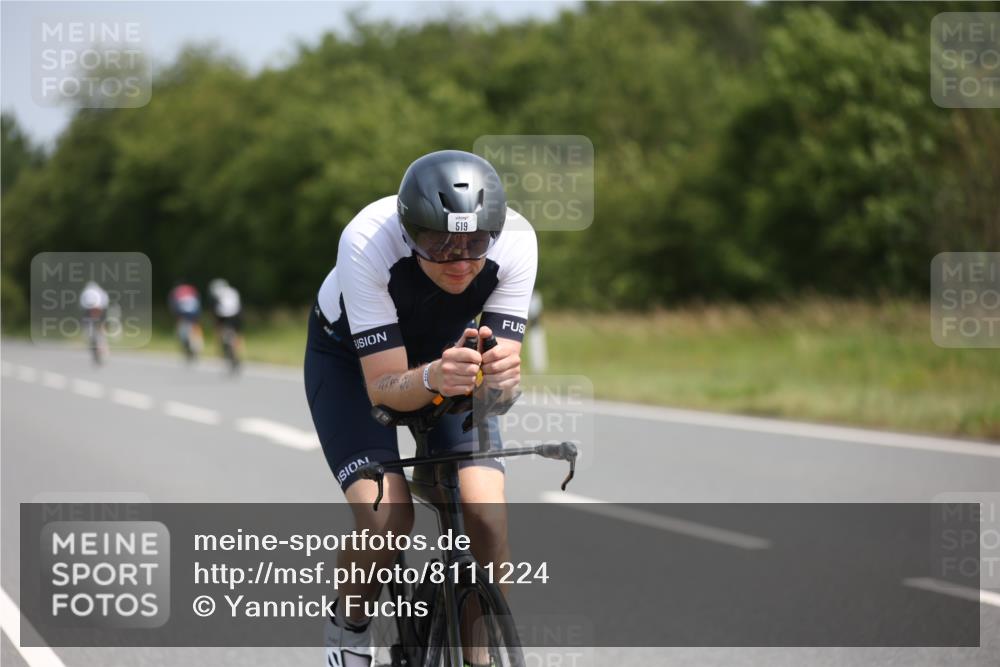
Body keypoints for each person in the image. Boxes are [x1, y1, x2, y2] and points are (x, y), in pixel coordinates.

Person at [304, 150, 537, 667]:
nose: (459, 261)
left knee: (485, 512)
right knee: (388, 515)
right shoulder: (367, 239)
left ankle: (477, 654)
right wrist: (433, 376)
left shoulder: (517, 240)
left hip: (451, 353)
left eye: (476, 243)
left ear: (494, 230)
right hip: (353, 362)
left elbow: (499, 387)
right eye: (438, 244)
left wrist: (501, 381)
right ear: (409, 232)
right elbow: (384, 387)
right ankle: (349, 626)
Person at [208, 278, 244, 368]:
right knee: (236, 334)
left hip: (224, 315)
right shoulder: (233, 291)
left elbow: (215, 309)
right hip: (237, 315)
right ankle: (238, 352)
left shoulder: (217, 292)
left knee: (219, 331)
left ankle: (222, 351)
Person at [168, 282, 203, 360]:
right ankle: (198, 344)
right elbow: (198, 302)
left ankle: (184, 346)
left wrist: (175, 315)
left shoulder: (176, 291)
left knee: (179, 327)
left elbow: (173, 305)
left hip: (182, 313)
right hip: (194, 313)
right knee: (195, 327)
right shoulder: (192, 290)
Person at [79, 281, 110, 364]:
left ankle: (102, 347)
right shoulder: (89, 300)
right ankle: (98, 347)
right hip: (91, 313)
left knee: (100, 332)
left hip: (99, 312)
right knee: (91, 333)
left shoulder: (98, 297)